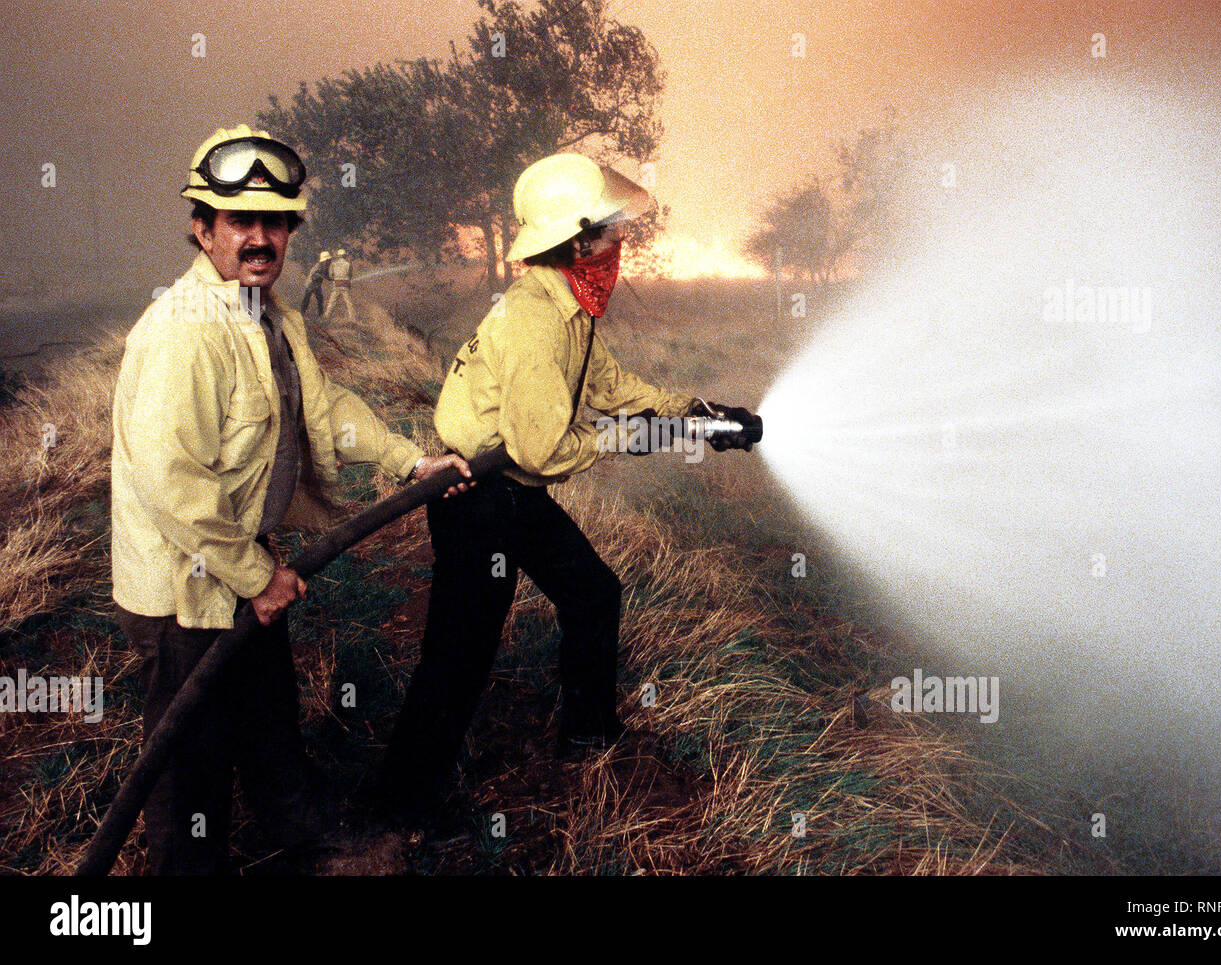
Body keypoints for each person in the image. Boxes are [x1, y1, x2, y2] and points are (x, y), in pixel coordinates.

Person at [110, 123, 473, 874]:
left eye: (275, 221)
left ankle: (306, 839)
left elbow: (326, 406)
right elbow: (174, 482)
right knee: (189, 751)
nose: (260, 238)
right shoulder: (186, 334)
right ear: (201, 228)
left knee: (268, 713)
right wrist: (257, 577)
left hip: (239, 559)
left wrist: (411, 461)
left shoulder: (267, 316)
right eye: (241, 220)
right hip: (187, 581)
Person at [376, 153, 755, 825]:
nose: (621, 244)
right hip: (476, 498)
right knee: (461, 651)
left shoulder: (570, 309)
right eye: (611, 232)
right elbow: (542, 447)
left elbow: (610, 389)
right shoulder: (534, 320)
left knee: (593, 591)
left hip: (513, 492)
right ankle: (398, 805)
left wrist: (695, 410)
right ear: (577, 242)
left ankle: (588, 736)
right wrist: (636, 439)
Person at [324, 247, 355, 323]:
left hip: (336, 285)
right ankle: (352, 319)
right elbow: (350, 275)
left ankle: (326, 318)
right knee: (349, 303)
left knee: (331, 303)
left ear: (338, 256)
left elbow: (331, 276)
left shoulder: (333, 264)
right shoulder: (348, 264)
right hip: (345, 285)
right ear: (344, 256)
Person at [300, 249, 330, 316]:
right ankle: (302, 313)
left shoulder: (325, 267)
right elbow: (313, 275)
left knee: (320, 299)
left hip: (317, 285)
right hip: (311, 284)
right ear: (324, 260)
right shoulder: (318, 266)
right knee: (307, 299)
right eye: (328, 260)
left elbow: (327, 276)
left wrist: (332, 278)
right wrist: (321, 276)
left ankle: (320, 314)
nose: (329, 262)